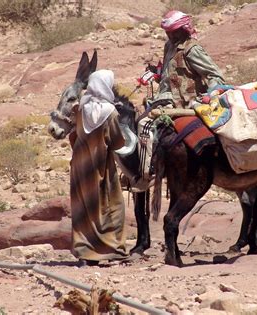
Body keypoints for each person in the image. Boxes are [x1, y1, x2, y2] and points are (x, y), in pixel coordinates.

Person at [136, 10, 225, 180]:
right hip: (163, 98)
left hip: (183, 102)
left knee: (144, 124)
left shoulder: (192, 50)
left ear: (183, 30)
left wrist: (210, 95)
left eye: (173, 31)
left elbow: (215, 75)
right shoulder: (169, 46)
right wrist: (156, 74)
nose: (169, 35)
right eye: (167, 32)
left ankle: (146, 172)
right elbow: (170, 72)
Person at [70, 69, 128, 266]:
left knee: (83, 206)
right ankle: (112, 249)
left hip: (80, 164)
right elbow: (117, 141)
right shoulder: (110, 112)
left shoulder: (79, 108)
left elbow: (73, 133)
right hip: (101, 163)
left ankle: (84, 251)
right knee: (112, 205)